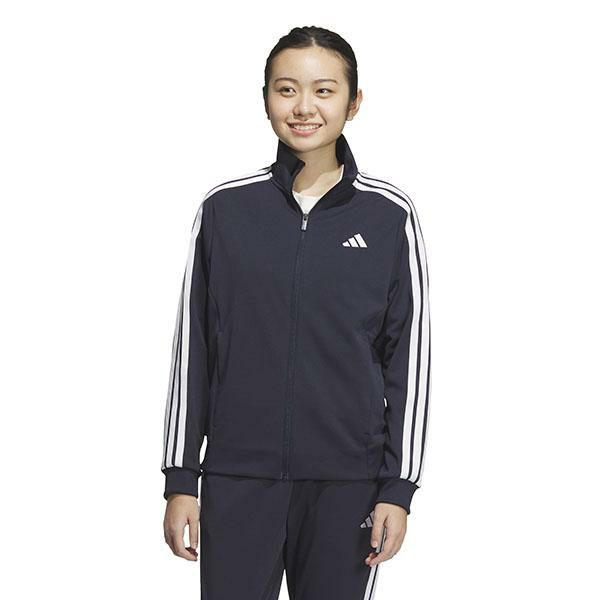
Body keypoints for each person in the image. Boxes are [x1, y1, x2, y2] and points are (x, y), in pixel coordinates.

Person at [161, 25, 432, 600]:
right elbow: (194, 353)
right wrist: (181, 478)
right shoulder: (225, 210)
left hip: (347, 486)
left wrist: (398, 488)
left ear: (353, 103)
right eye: (286, 90)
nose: (304, 107)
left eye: (324, 90)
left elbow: (408, 361)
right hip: (237, 479)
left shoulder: (389, 216)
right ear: (265, 99)